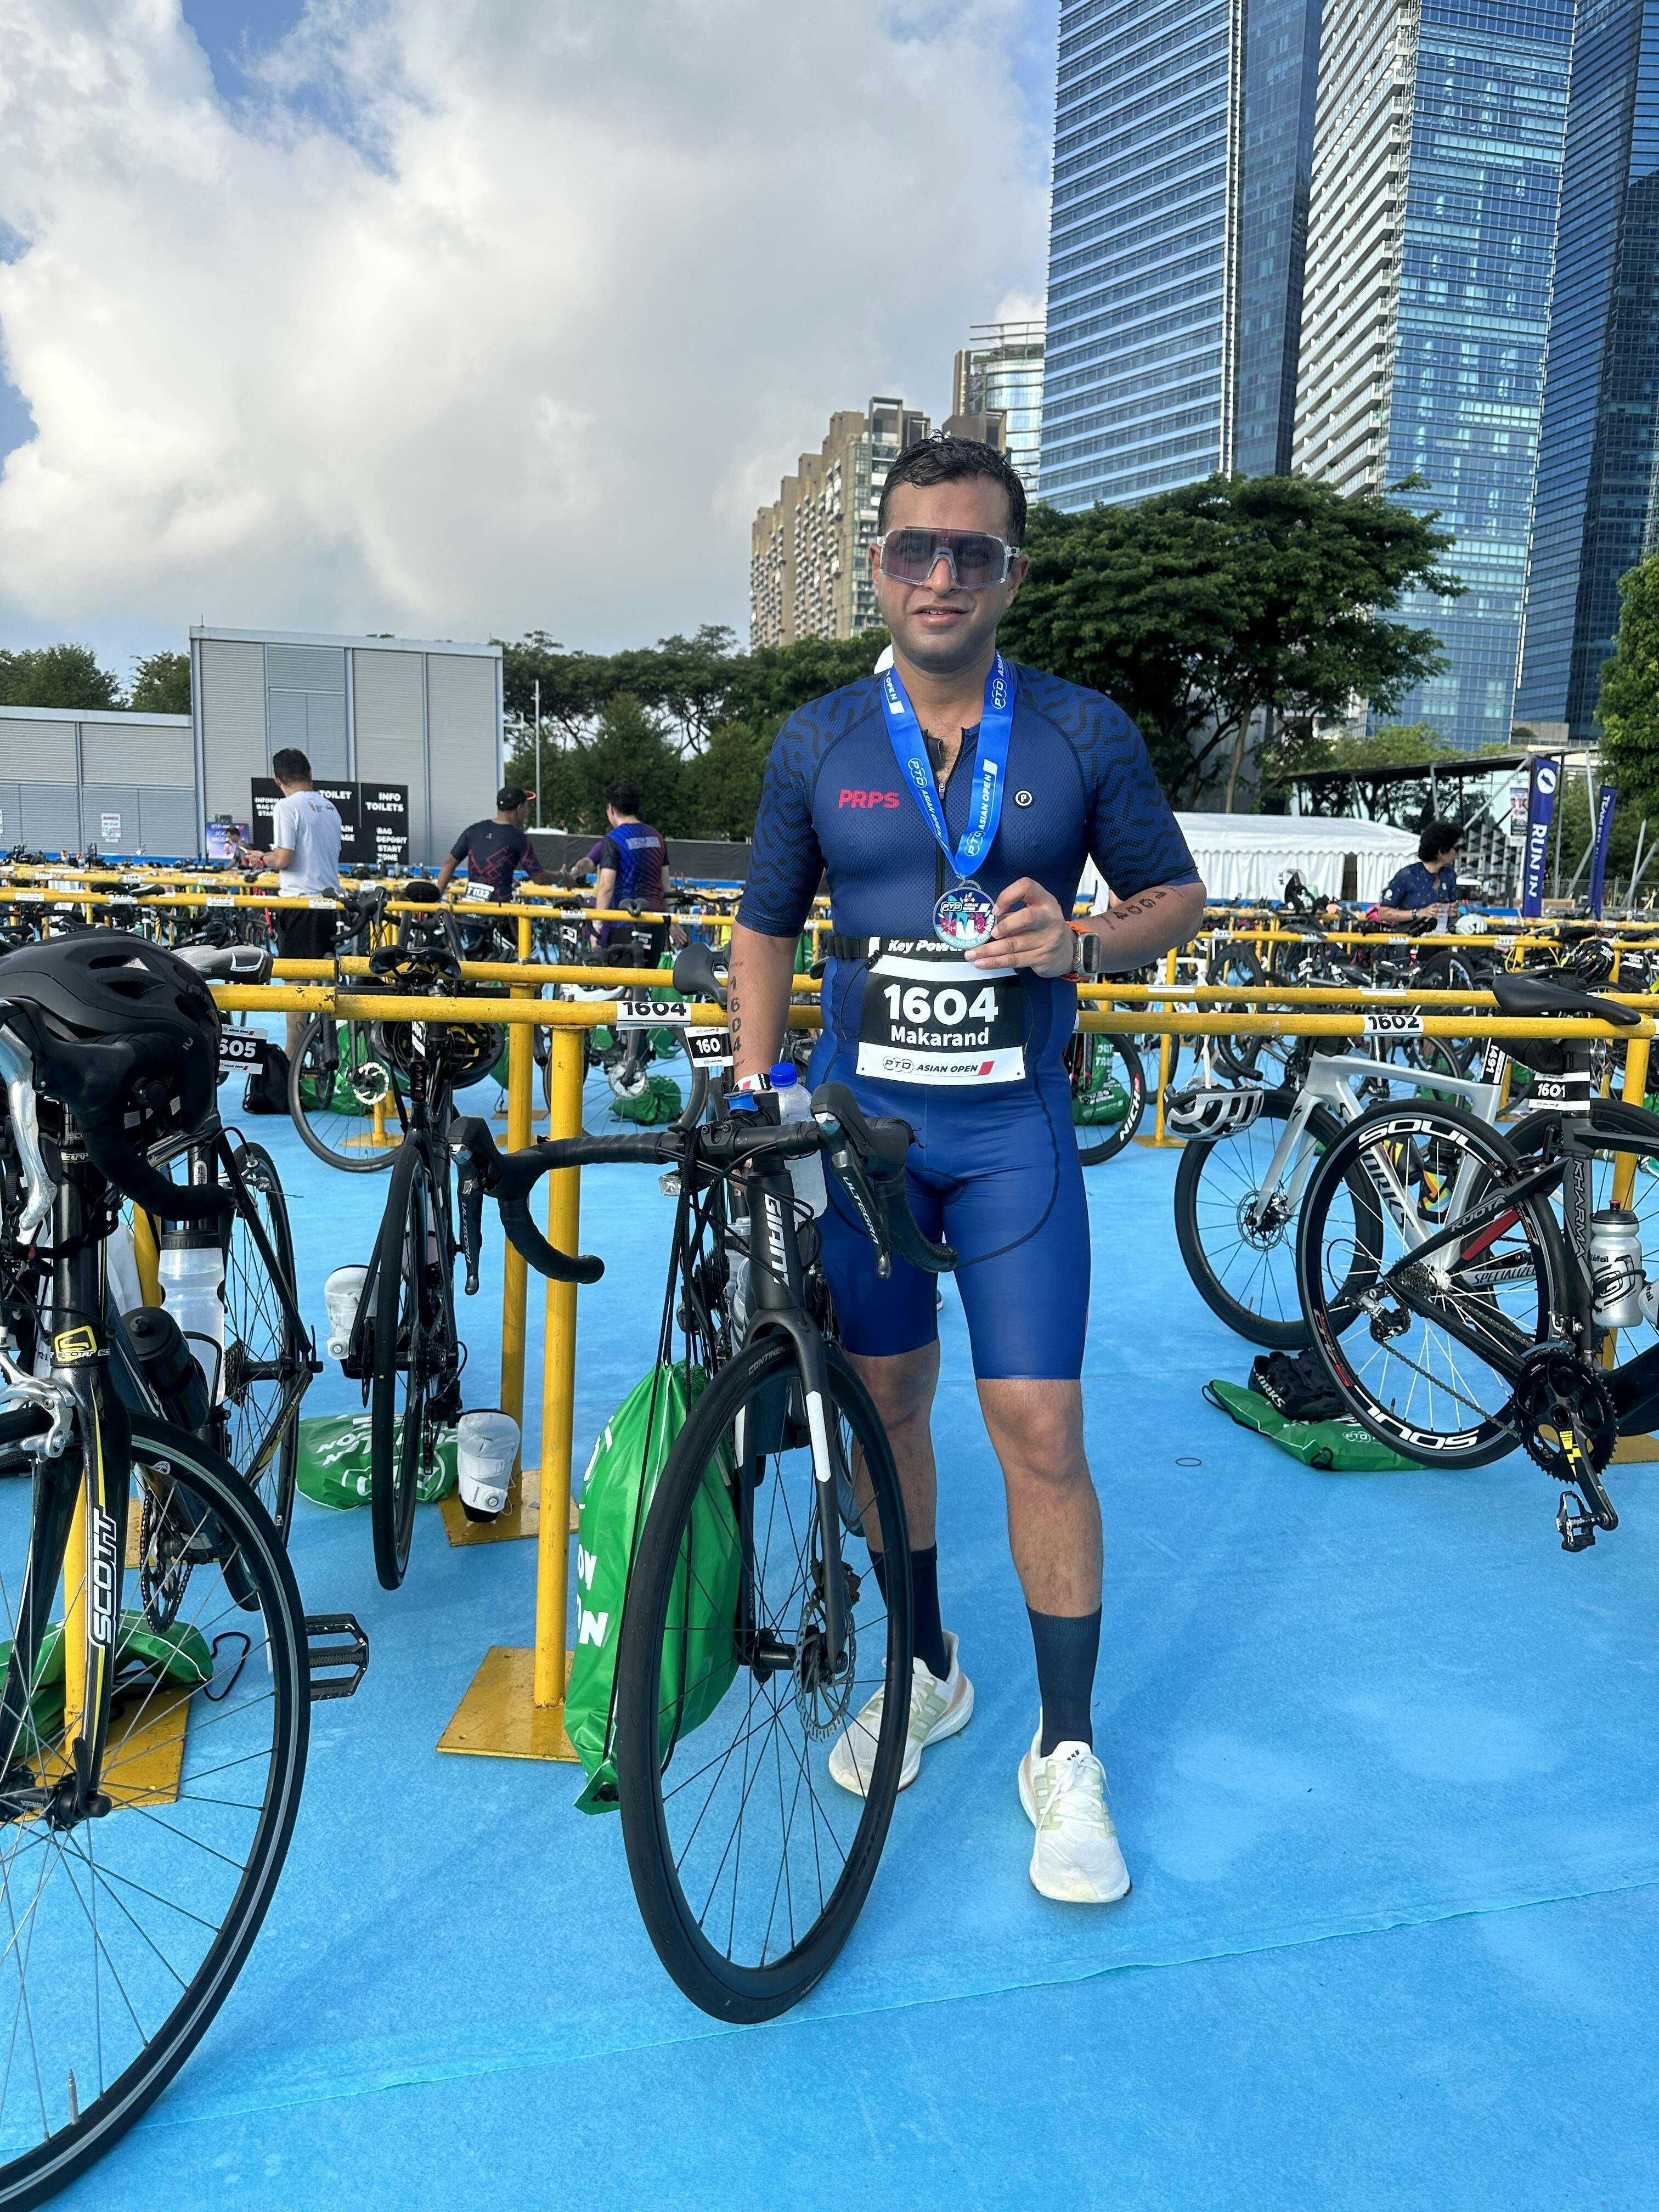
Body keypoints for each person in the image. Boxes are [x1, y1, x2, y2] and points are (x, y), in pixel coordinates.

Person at [728, 434, 1204, 1904]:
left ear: (1010, 571)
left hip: (1013, 1140)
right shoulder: (817, 739)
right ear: (877, 568)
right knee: (885, 1408)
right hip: (864, 1136)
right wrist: (754, 1091)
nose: (941, 575)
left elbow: (1175, 897)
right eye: (914, 549)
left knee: (1039, 1427)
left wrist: (1083, 942)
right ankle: (925, 1665)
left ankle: (1065, 1748)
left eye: (972, 552)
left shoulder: (1080, 731)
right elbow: (764, 926)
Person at [236, 748, 342, 1060]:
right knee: (322, 978)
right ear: (310, 774)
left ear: (277, 780)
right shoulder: (330, 808)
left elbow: (285, 858)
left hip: (299, 904)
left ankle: (293, 1058)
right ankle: (323, 1054)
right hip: (328, 903)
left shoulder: (286, 807)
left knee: (296, 981)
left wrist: (263, 859)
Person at [435, 786, 552, 904]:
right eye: (527, 807)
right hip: (498, 911)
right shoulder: (519, 838)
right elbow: (538, 877)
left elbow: (450, 862)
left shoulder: (474, 831)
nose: (528, 812)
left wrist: (436, 898)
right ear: (520, 809)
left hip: (470, 907)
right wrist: (560, 876)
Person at [590, 781, 668, 955]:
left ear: (611, 809)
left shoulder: (614, 839)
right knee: (649, 972)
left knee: (621, 972)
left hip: (626, 922)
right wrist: (674, 923)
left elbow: (606, 886)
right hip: (656, 923)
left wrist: (597, 927)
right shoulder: (657, 837)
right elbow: (666, 885)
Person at [1373, 822, 1462, 926]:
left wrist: (1453, 912)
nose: (1458, 854)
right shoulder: (1407, 875)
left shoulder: (1449, 875)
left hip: (1440, 934)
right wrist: (1419, 913)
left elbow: (1454, 910)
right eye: (1456, 849)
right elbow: (1383, 913)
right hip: (1410, 934)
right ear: (1441, 851)